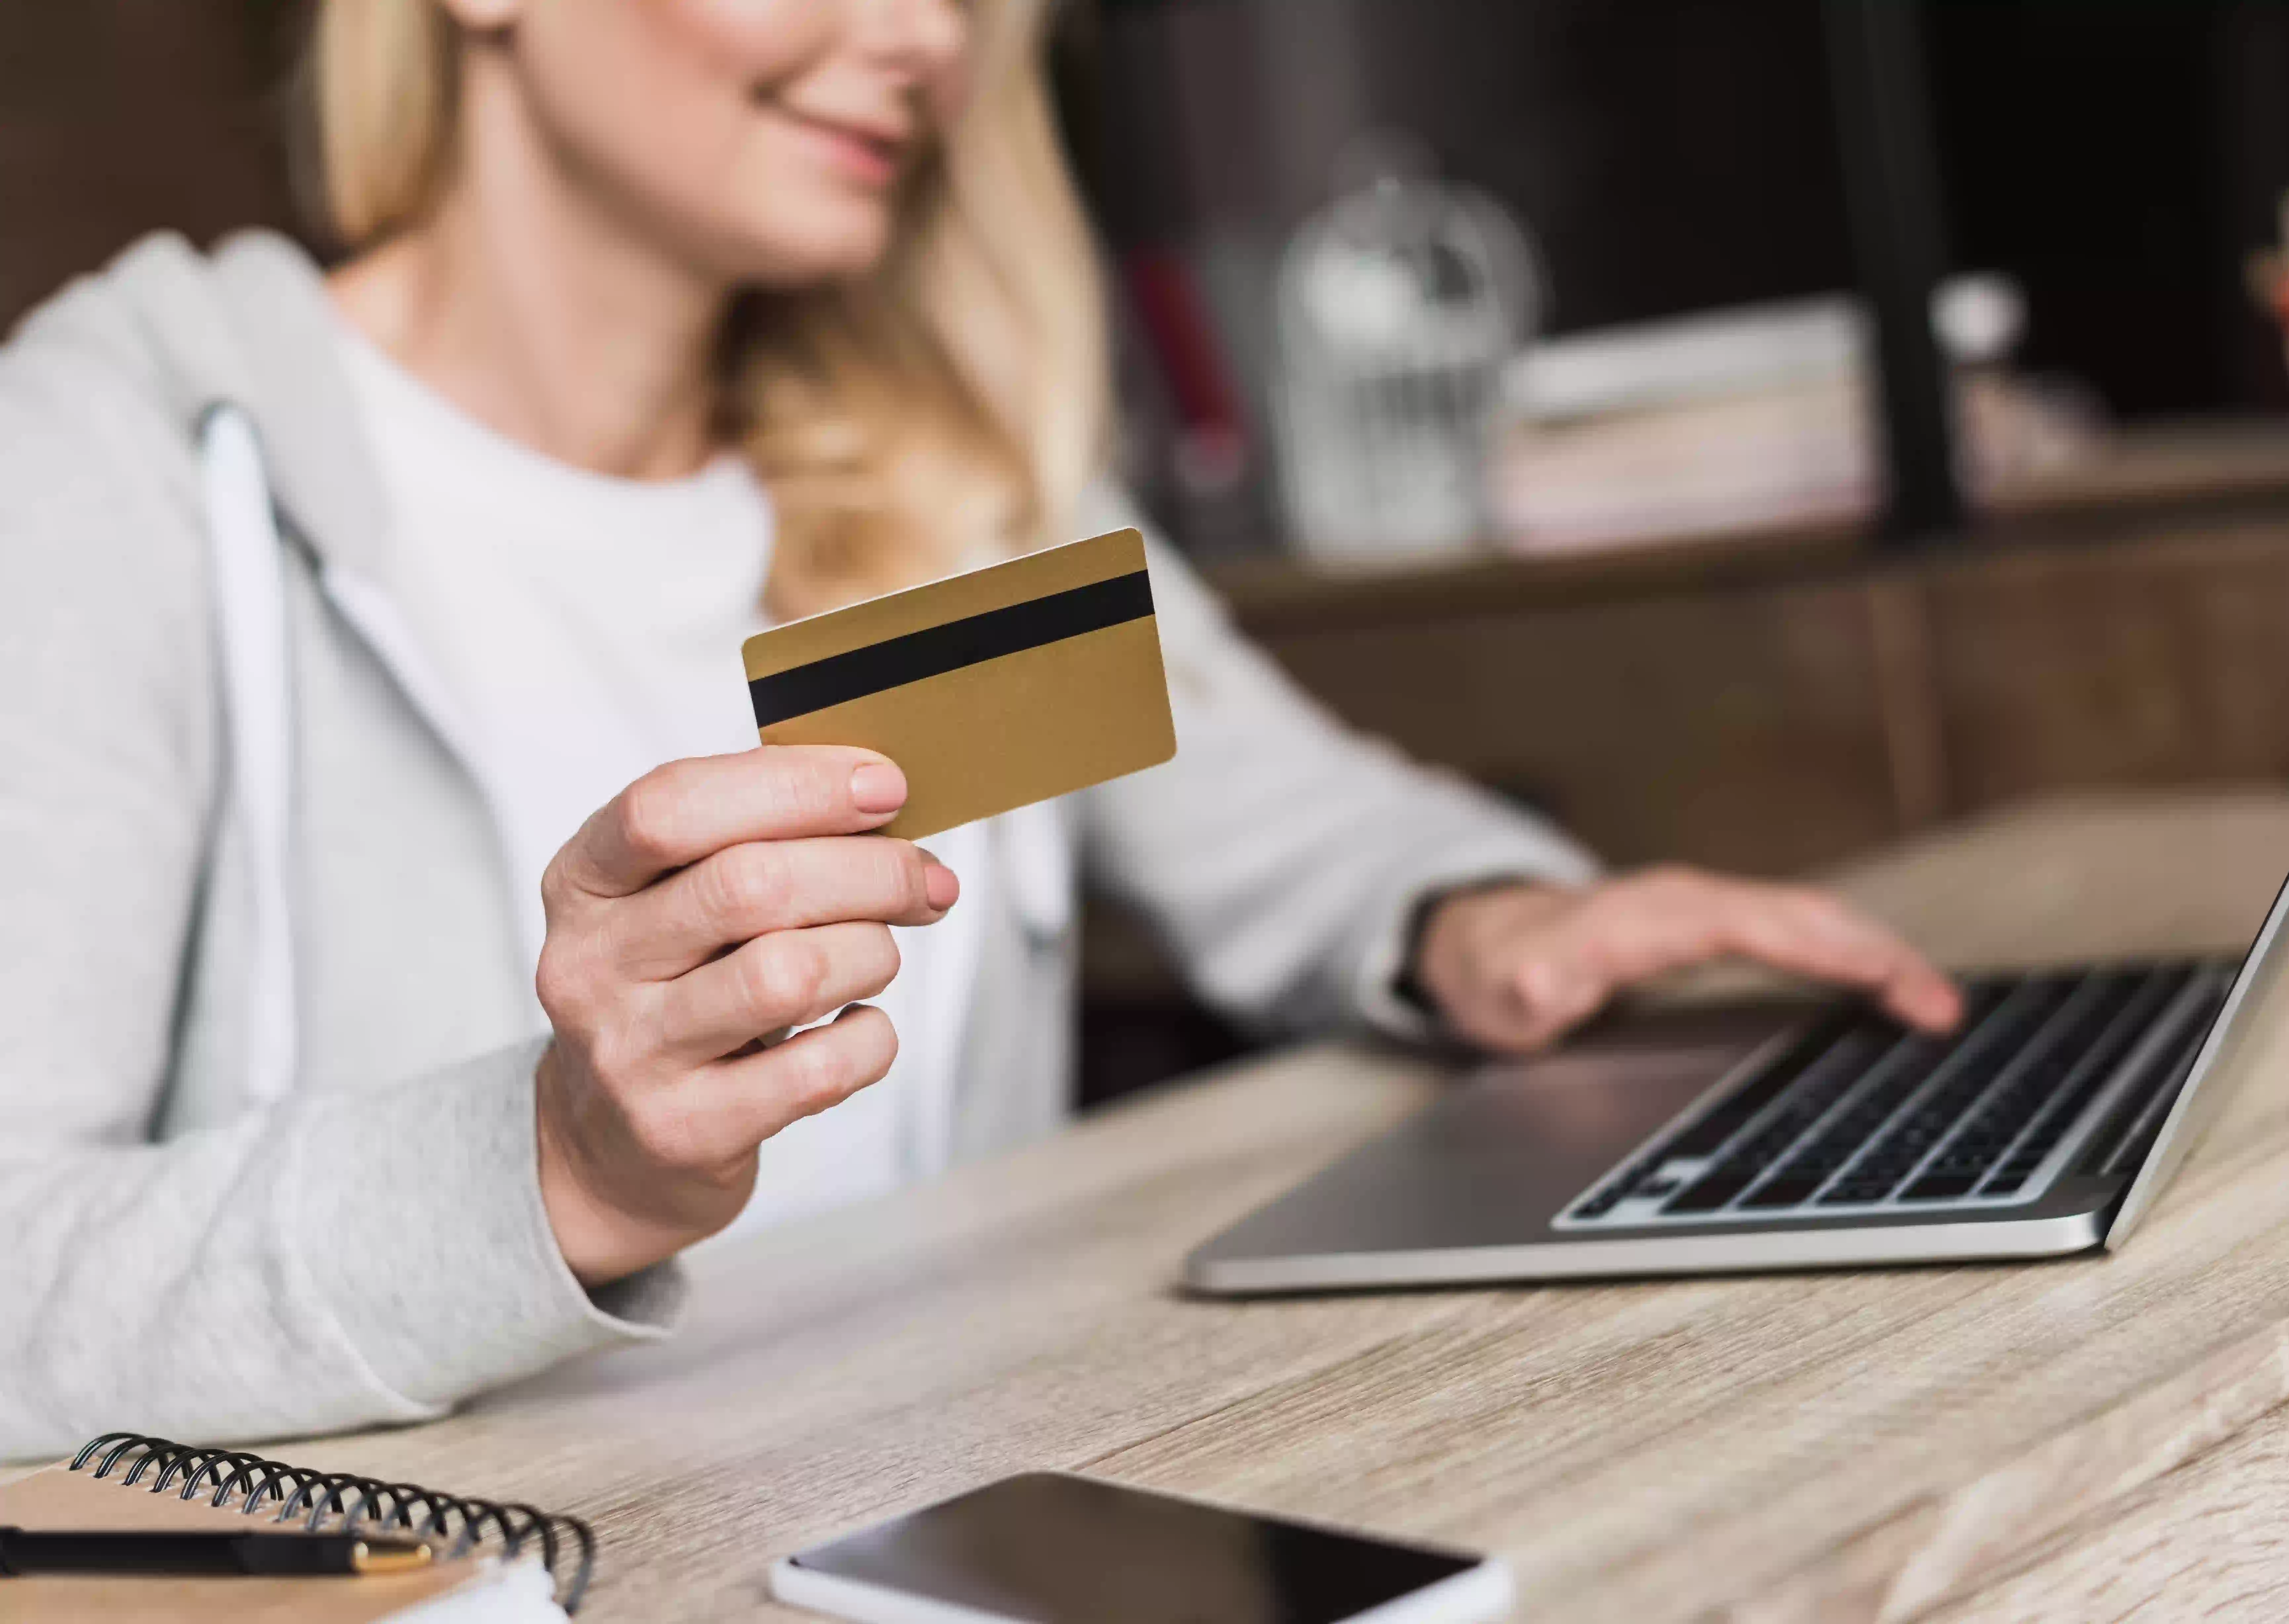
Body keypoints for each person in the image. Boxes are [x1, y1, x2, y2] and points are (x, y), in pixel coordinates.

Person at [0, 0, 1959, 1460]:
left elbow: (1310, 841)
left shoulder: (936, 481)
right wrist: (560, 1163)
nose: (929, 38)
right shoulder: (120, 458)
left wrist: (1489, 922)